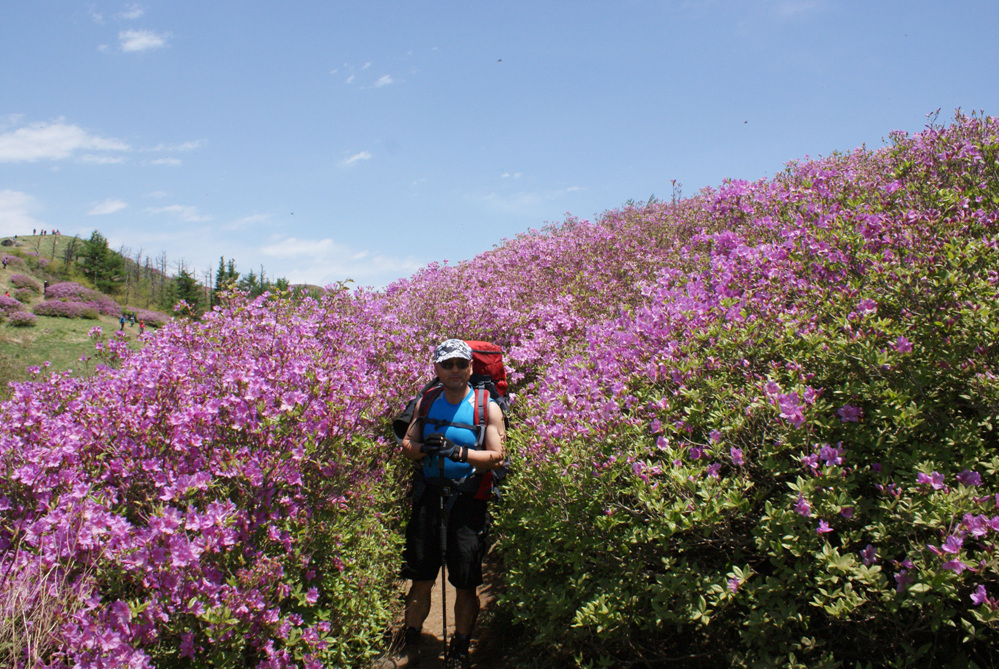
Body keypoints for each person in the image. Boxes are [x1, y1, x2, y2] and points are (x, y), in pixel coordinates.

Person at [380, 339, 506, 669]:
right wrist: (425, 448)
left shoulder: (487, 406)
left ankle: (461, 648)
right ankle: (410, 639)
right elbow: (407, 443)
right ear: (436, 368)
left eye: (461, 364)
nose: (454, 370)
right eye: (447, 364)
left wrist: (460, 452)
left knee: (465, 580)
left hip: (467, 501)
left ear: (470, 368)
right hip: (429, 496)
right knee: (421, 574)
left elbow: (497, 455)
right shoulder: (427, 401)